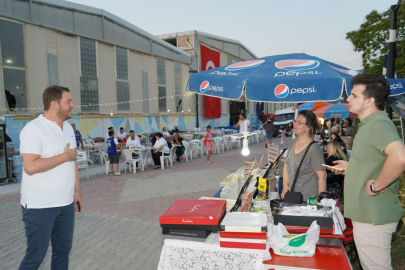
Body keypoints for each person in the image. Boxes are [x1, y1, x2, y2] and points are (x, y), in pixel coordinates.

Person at [330, 74, 405, 270]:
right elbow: (376, 161)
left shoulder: (378, 124)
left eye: (354, 95)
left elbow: (400, 157)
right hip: (368, 215)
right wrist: (352, 168)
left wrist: (376, 185)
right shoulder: (369, 124)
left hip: (373, 216)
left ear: (370, 100)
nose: (348, 99)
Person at [19, 85, 81, 270]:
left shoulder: (69, 128)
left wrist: (77, 191)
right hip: (40, 206)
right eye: (68, 102)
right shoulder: (33, 129)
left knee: (62, 252)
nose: (72, 105)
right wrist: (65, 156)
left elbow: (73, 162)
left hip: (65, 204)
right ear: (54, 105)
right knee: (35, 257)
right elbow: (30, 166)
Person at [281, 110, 327, 202]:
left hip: (308, 200)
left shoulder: (314, 148)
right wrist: (285, 185)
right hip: (292, 197)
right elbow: (287, 165)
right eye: (295, 121)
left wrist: (320, 201)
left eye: (299, 122)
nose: (295, 124)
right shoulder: (293, 142)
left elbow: (323, 176)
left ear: (308, 127)